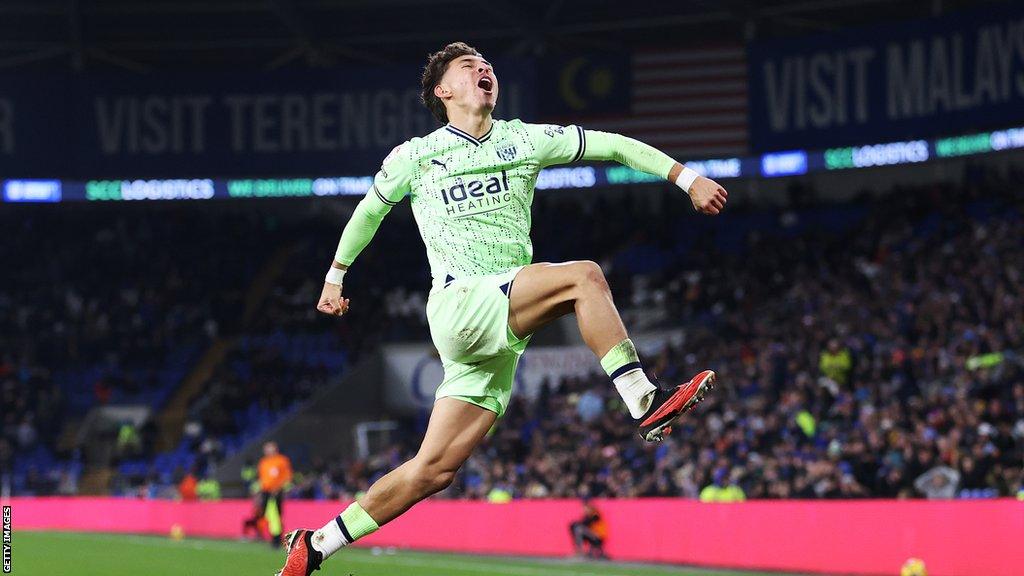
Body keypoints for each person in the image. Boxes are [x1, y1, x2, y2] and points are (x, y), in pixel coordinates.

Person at [277, 41, 727, 575]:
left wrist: (685, 176)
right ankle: (642, 398)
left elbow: (613, 145)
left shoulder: (522, 139)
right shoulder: (415, 155)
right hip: (462, 302)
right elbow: (368, 213)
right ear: (443, 91)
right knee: (585, 277)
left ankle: (318, 543)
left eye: (487, 65)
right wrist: (335, 275)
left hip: (499, 328)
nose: (483, 70)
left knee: (431, 470)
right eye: (469, 67)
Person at [258, 441, 293, 548]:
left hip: (277, 492)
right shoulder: (263, 462)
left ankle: (277, 539)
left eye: (269, 448)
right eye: (266, 448)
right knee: (267, 515)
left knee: (275, 515)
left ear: (275, 449)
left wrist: (280, 488)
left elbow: (287, 476)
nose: (267, 450)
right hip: (265, 492)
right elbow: (262, 478)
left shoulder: (282, 460)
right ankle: (270, 535)